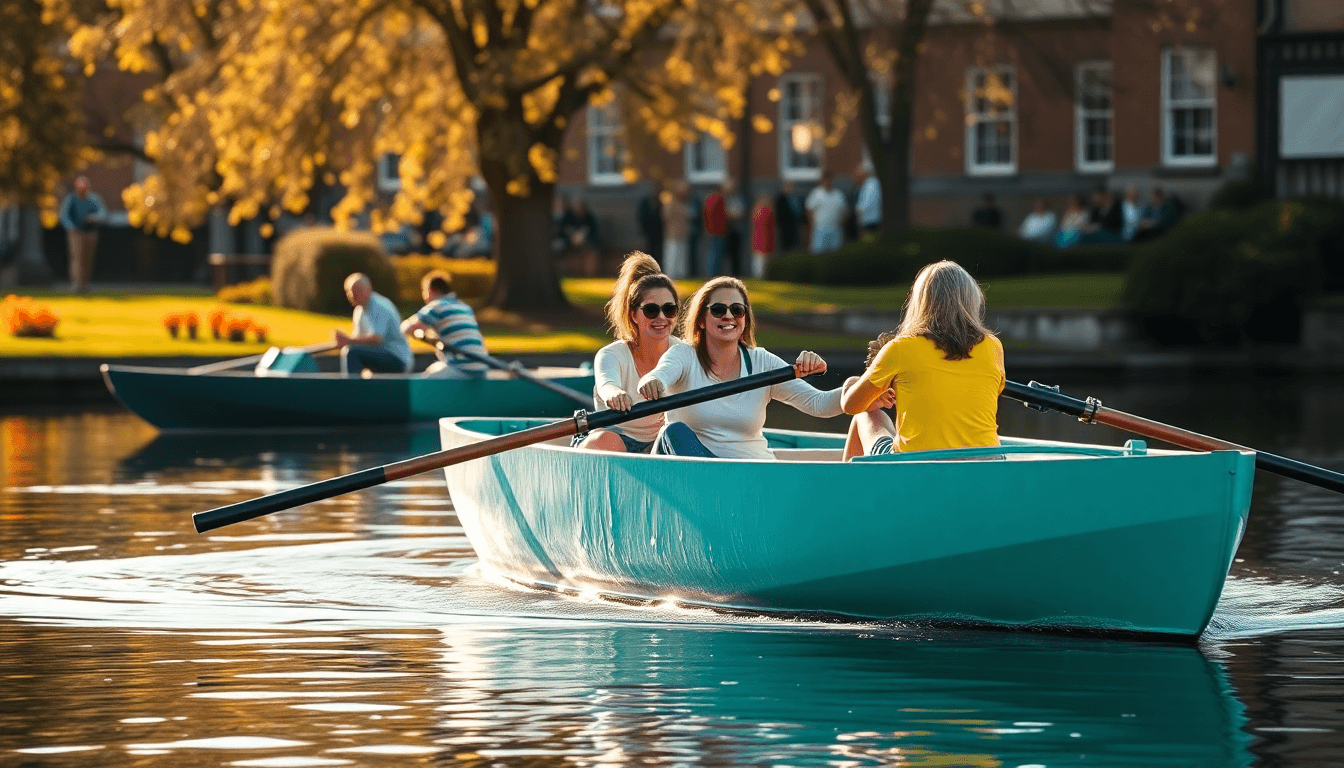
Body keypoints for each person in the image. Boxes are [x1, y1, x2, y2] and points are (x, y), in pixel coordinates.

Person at [636, 276, 842, 459]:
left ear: (745, 320)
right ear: (701, 320)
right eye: (718, 310)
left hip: (753, 473)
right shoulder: (684, 355)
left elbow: (819, 404)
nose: (728, 316)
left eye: (737, 310)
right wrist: (653, 382)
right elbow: (660, 374)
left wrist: (865, 385)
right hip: (701, 477)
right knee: (673, 433)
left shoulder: (763, 362)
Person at [840, 260, 1004, 460]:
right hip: (987, 463)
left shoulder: (900, 348)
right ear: (972, 301)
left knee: (866, 416)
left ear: (921, 303)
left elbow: (850, 406)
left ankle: (846, 490)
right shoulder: (993, 346)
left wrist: (877, 395)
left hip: (917, 465)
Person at [575, 252, 684, 453]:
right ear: (634, 314)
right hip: (612, 439)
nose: (661, 317)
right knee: (607, 441)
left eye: (669, 309)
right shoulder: (611, 355)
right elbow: (607, 385)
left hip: (659, 445)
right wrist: (615, 395)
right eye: (651, 310)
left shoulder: (684, 353)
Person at [400, 270, 488, 378]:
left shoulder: (437, 306)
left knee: (422, 380)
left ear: (432, 291)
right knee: (435, 368)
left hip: (460, 367)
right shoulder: (464, 307)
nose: (424, 297)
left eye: (424, 292)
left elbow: (406, 328)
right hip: (482, 367)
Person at [333, 273, 414, 377]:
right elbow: (358, 339)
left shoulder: (379, 306)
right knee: (350, 350)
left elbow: (376, 339)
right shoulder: (359, 310)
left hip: (398, 359)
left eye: (358, 291)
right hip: (382, 355)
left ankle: (351, 390)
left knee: (352, 353)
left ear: (368, 289)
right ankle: (356, 386)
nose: (354, 295)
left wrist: (348, 341)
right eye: (351, 292)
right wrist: (347, 341)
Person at [59, 177, 106, 293]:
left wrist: (95, 218)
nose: (82, 191)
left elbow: (103, 212)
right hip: (76, 232)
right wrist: (71, 228)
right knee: (76, 259)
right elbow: (64, 215)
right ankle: (76, 284)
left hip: (90, 232)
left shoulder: (94, 199)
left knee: (87, 259)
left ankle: (85, 285)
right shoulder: (71, 199)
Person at [805, 171, 847, 254]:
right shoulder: (816, 193)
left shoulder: (838, 195)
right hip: (820, 231)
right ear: (822, 180)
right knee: (818, 255)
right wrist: (812, 224)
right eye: (826, 179)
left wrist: (839, 223)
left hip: (835, 231)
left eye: (830, 179)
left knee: (835, 255)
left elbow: (845, 211)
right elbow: (809, 210)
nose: (828, 181)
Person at [559, 197, 601, 276]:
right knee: (572, 260)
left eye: (580, 205)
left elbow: (595, 236)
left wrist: (585, 241)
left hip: (587, 246)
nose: (578, 208)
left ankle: (589, 278)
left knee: (591, 256)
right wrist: (570, 240)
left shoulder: (589, 219)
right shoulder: (567, 218)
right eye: (576, 205)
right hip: (569, 247)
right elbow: (560, 235)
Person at [661, 181, 693, 279]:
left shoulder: (684, 204)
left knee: (682, 257)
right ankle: (671, 276)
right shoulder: (670, 203)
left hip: (683, 235)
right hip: (673, 235)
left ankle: (681, 275)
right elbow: (666, 216)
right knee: (672, 257)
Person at [703, 182, 729, 276]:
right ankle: (714, 274)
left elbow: (706, 214)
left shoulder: (708, 199)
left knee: (712, 252)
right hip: (718, 230)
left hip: (710, 230)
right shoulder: (719, 199)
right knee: (716, 254)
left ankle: (711, 274)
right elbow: (722, 215)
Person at [637, 180, 665, 265]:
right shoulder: (646, 202)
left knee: (659, 252)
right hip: (649, 232)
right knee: (650, 252)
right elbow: (642, 217)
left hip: (660, 233)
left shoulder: (662, 202)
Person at [774, 181, 804, 253]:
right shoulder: (780, 199)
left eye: (791, 186)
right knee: (785, 250)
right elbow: (778, 215)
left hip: (795, 229)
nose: (790, 188)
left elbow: (800, 213)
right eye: (787, 186)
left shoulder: (796, 198)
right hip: (784, 230)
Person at [750, 193, 776, 279]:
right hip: (765, 239)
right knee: (762, 262)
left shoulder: (756, 210)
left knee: (758, 260)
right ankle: (761, 276)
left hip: (758, 238)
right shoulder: (766, 211)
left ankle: (759, 276)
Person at [854, 164, 882, 237]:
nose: (856, 176)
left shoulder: (871, 185)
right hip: (868, 220)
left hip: (870, 221)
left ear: (864, 173)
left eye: (858, 174)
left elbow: (868, 203)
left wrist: (857, 211)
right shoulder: (867, 184)